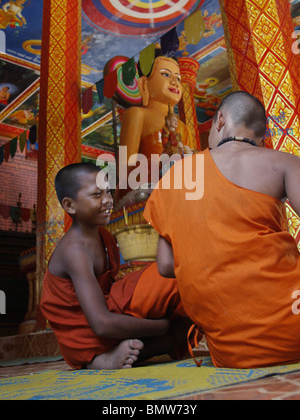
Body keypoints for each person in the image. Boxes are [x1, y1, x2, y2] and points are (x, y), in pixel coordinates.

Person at [143, 90, 300, 369]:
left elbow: (166, 266)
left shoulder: (178, 174)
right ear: (260, 135)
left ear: (220, 121)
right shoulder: (283, 162)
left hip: (232, 350)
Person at [40, 162, 189, 370]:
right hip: (85, 335)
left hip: (105, 319)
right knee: (166, 281)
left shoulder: (105, 237)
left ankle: (109, 356)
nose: (108, 200)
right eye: (96, 195)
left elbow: (112, 297)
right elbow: (101, 323)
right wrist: (160, 326)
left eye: (108, 192)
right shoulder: (74, 250)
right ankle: (98, 359)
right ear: (70, 206)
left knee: (183, 329)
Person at [116, 49, 193, 202]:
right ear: (144, 84)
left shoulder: (183, 127)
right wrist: (160, 168)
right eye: (166, 74)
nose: (174, 82)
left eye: (178, 78)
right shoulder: (137, 114)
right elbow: (124, 168)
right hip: (146, 185)